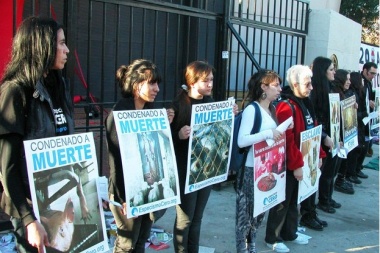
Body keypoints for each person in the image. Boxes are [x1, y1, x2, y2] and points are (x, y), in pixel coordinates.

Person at [0, 16, 72, 253]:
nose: (66, 50)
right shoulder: (15, 92)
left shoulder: (58, 87)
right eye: (61, 43)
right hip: (31, 208)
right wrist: (28, 219)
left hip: (58, 200)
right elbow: (7, 167)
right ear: (43, 45)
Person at [105, 59, 169, 252]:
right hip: (125, 192)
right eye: (151, 83)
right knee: (126, 245)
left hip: (148, 189)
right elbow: (116, 161)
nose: (156, 88)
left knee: (141, 240)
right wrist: (124, 197)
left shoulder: (151, 112)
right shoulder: (119, 114)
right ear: (135, 85)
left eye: (157, 83)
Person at [265, 65, 326, 253]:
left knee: (293, 201)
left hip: (302, 160)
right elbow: (287, 140)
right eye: (307, 84)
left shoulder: (304, 103)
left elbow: (312, 131)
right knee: (282, 202)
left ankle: (290, 232)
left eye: (311, 84)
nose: (311, 88)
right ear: (295, 84)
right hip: (289, 164)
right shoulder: (286, 106)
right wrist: (297, 165)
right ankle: (272, 238)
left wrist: (319, 155)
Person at [169, 61, 216, 253]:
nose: (211, 84)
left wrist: (230, 117)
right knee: (185, 220)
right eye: (206, 81)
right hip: (184, 172)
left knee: (197, 219)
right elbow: (165, 141)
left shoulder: (211, 103)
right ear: (192, 82)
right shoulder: (177, 105)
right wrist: (178, 135)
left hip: (206, 171)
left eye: (212, 80)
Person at [235, 70, 284, 253]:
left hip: (266, 168)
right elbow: (243, 140)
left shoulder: (271, 109)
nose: (280, 89)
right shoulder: (252, 109)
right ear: (264, 87)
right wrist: (268, 133)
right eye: (276, 85)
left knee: (259, 212)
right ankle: (242, 248)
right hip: (250, 169)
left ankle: (252, 246)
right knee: (245, 215)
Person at [309, 56, 339, 214]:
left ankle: (325, 199)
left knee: (330, 171)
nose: (334, 72)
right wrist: (324, 135)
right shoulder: (314, 91)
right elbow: (314, 119)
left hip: (330, 135)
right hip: (321, 138)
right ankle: (315, 206)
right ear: (323, 71)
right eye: (331, 69)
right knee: (319, 173)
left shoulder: (330, 87)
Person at [331, 69, 356, 195]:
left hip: (344, 136)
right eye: (347, 79)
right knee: (330, 171)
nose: (349, 82)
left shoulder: (346, 93)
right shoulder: (334, 94)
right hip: (336, 137)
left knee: (337, 167)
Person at [344, 72, 370, 184]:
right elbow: (350, 115)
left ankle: (353, 172)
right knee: (353, 153)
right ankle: (348, 175)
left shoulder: (358, 93)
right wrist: (363, 114)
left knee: (358, 150)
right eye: (361, 80)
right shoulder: (351, 94)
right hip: (353, 129)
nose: (363, 82)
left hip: (358, 128)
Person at [360, 62, 378, 164]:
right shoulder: (360, 82)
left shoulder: (369, 83)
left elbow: (369, 98)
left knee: (366, 143)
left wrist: (371, 102)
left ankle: (358, 169)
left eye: (375, 74)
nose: (373, 76)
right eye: (372, 73)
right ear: (365, 71)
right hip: (361, 117)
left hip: (367, 116)